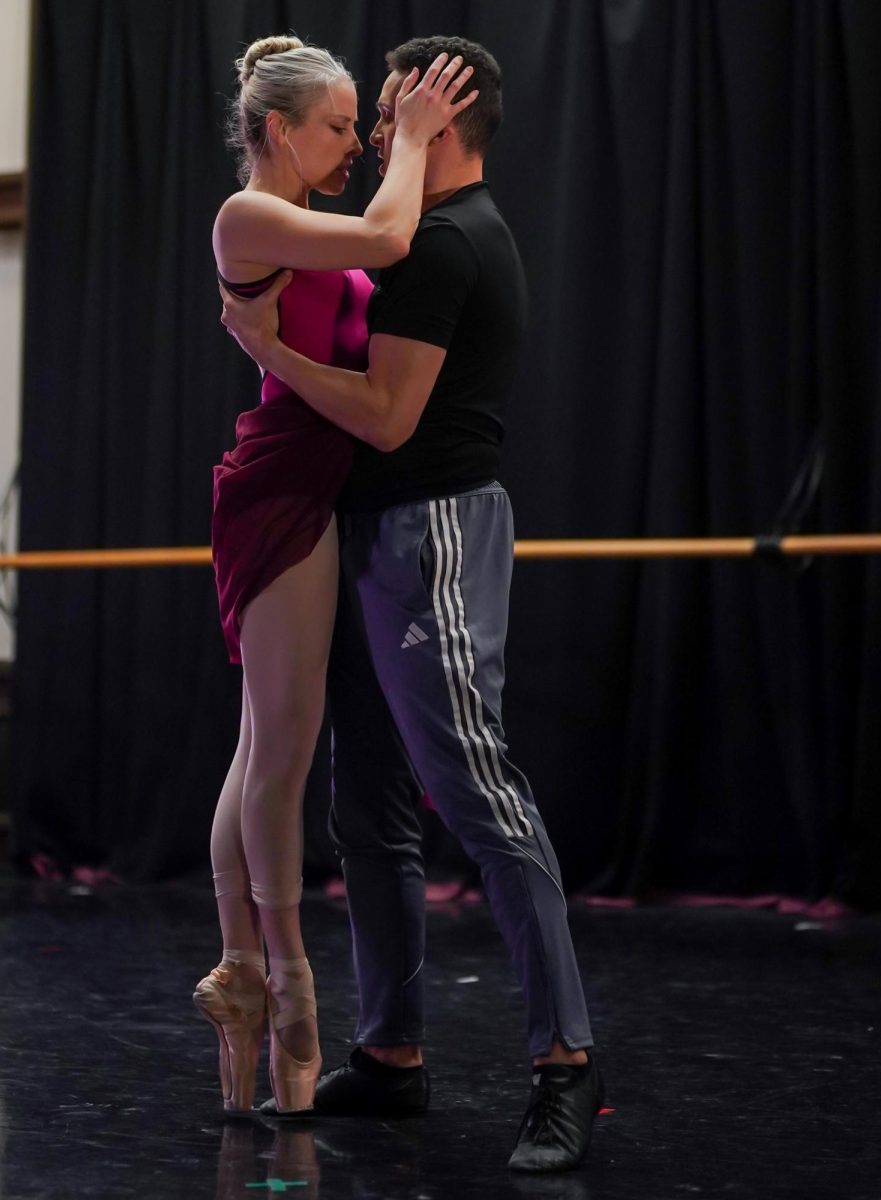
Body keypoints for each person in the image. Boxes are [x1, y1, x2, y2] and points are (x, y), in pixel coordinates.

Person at [219, 36, 604, 1172]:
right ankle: (390, 1057)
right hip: (370, 528)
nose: (376, 135)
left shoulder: (438, 241)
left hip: (426, 524)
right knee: (367, 813)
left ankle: (566, 1066)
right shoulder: (412, 232)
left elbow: (386, 419)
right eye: (364, 118)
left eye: (390, 114)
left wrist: (265, 352)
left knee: (473, 790)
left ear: (448, 117)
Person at [193, 35, 479, 1118]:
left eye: (365, 125)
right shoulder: (246, 215)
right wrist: (411, 137)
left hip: (319, 477)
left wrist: (396, 143)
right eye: (338, 125)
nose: (357, 140)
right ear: (275, 130)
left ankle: (239, 971)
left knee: (261, 745)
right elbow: (387, 236)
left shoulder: (300, 222)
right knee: (283, 748)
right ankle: (286, 983)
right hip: (281, 482)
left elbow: (377, 247)